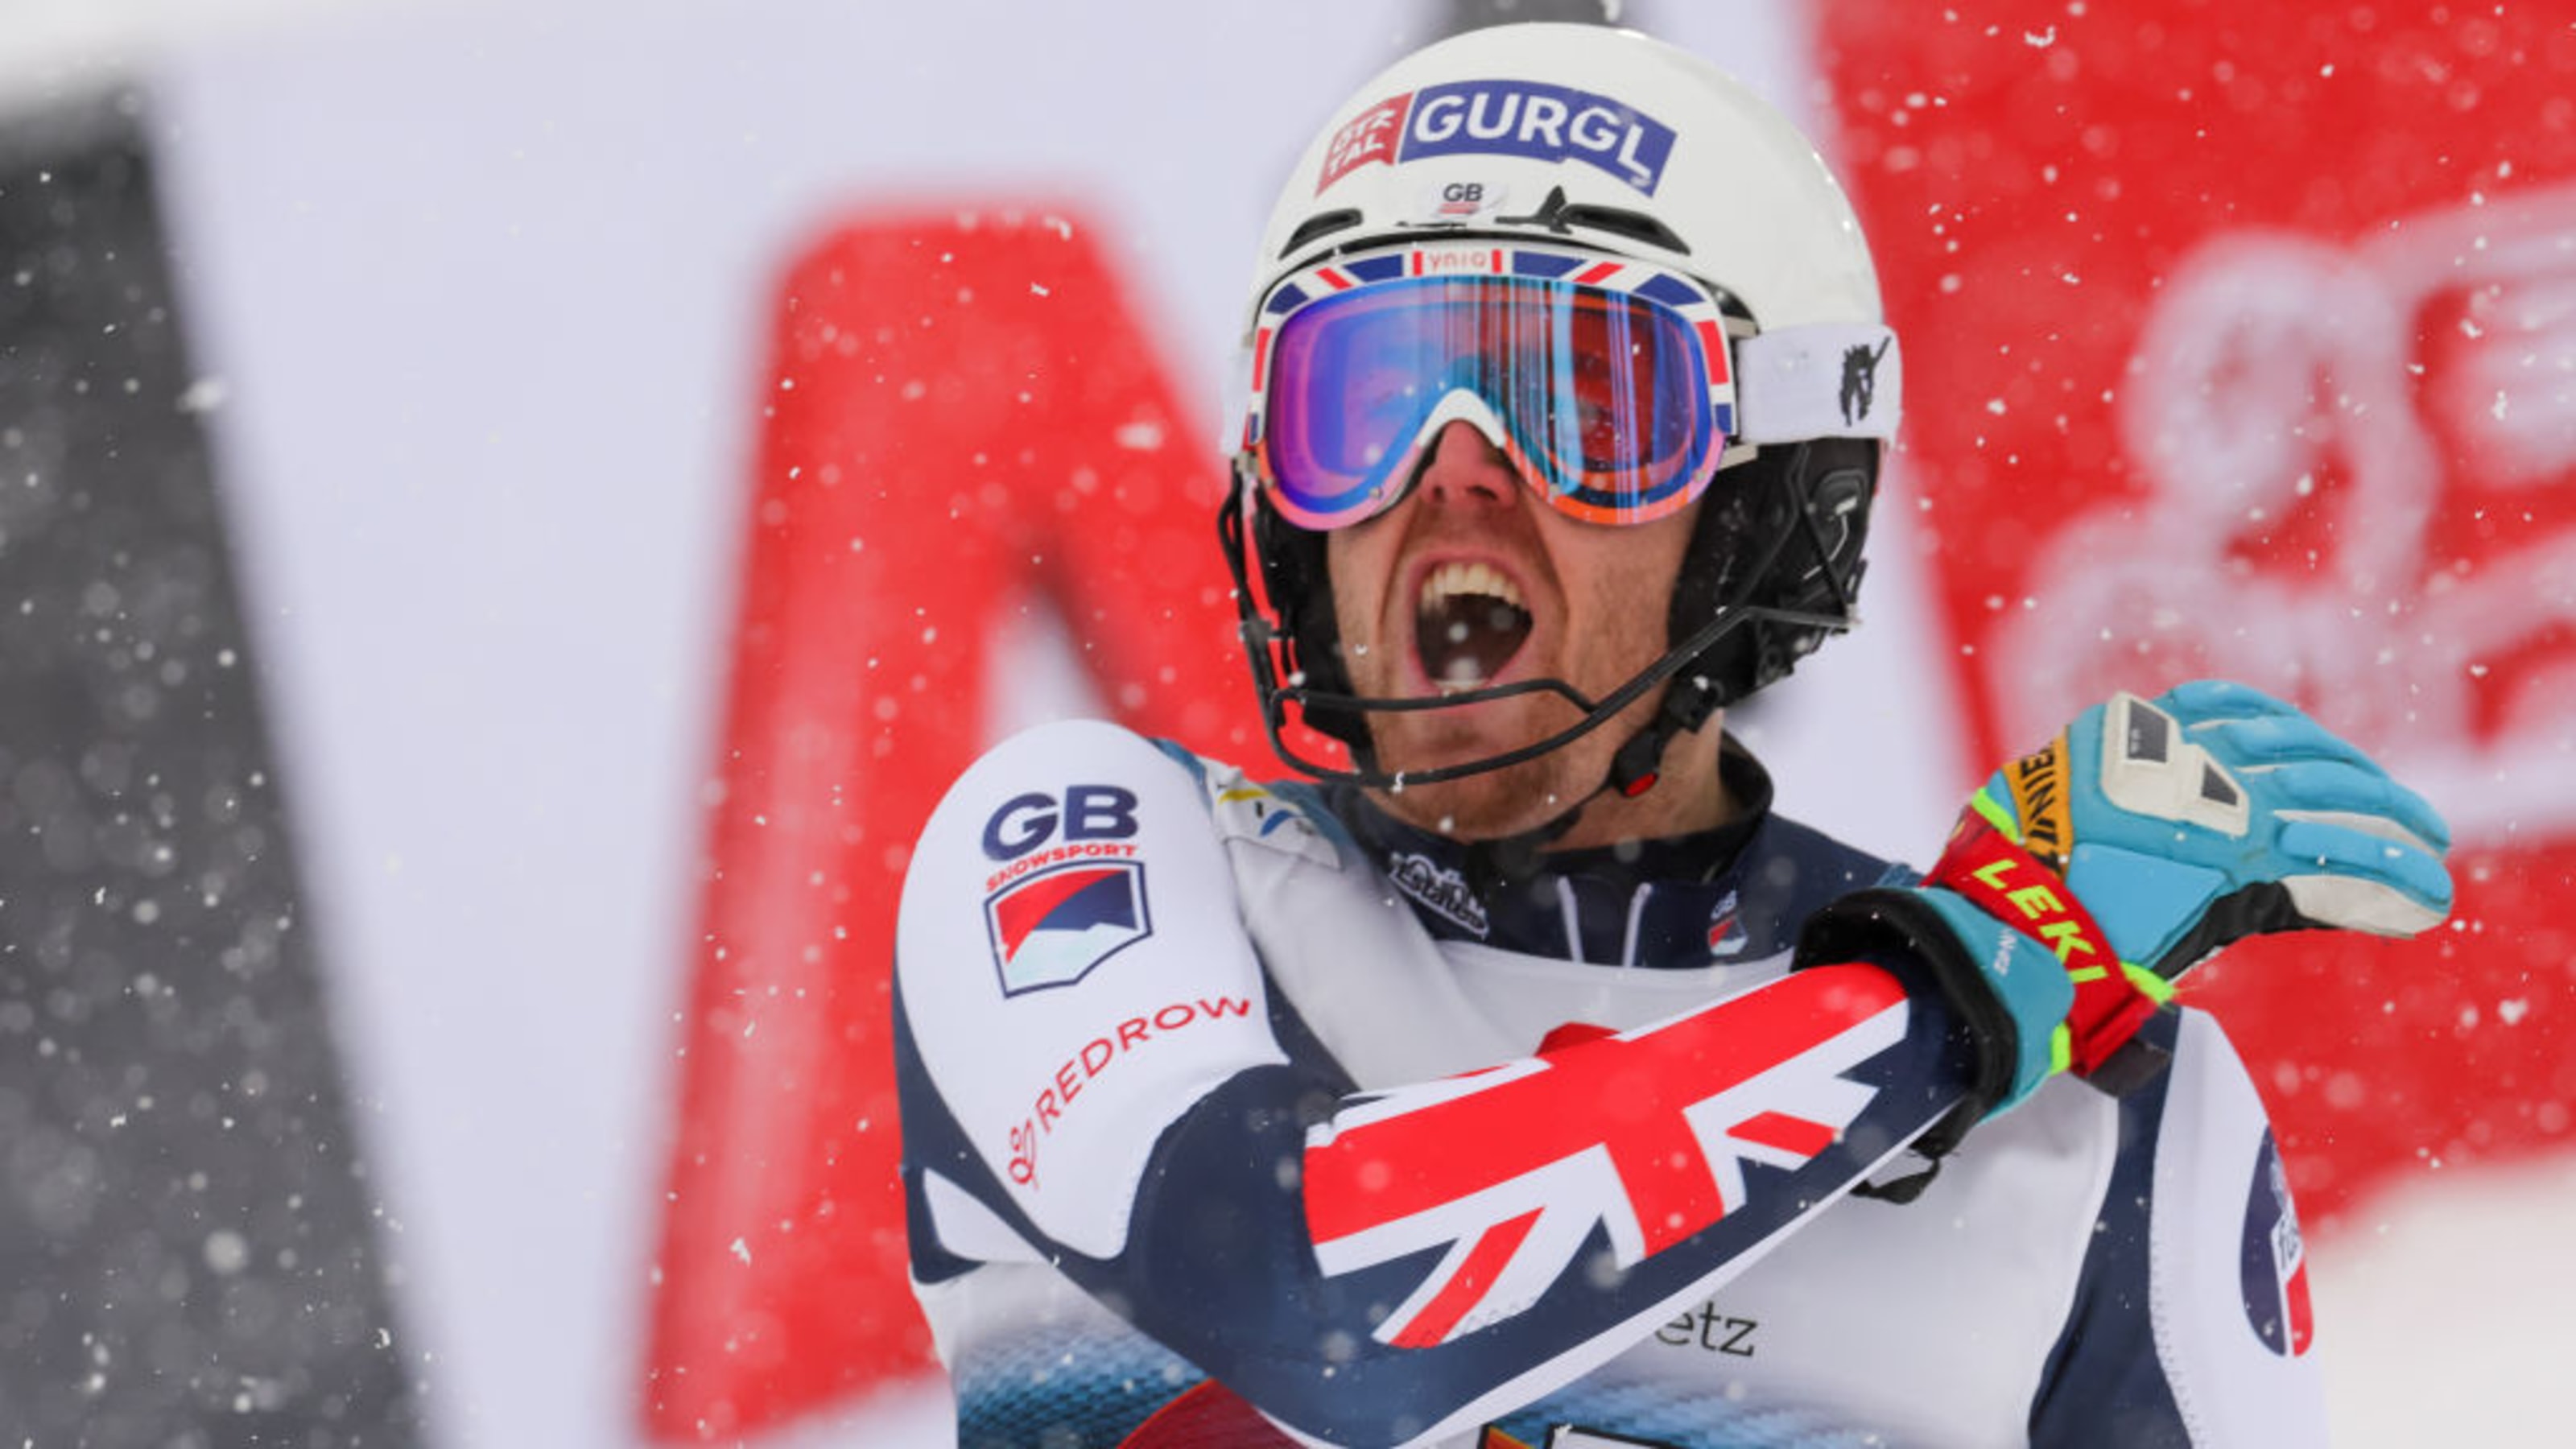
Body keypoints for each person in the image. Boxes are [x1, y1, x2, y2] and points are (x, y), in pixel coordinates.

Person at [892, 23, 2454, 1448]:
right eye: (1358, 398)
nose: (1453, 472)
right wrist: (1953, 988)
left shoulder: (2107, 1114)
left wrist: (1979, 979)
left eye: (1580, 404)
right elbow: (1306, 1291)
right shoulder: (1096, 852)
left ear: (1765, 508)